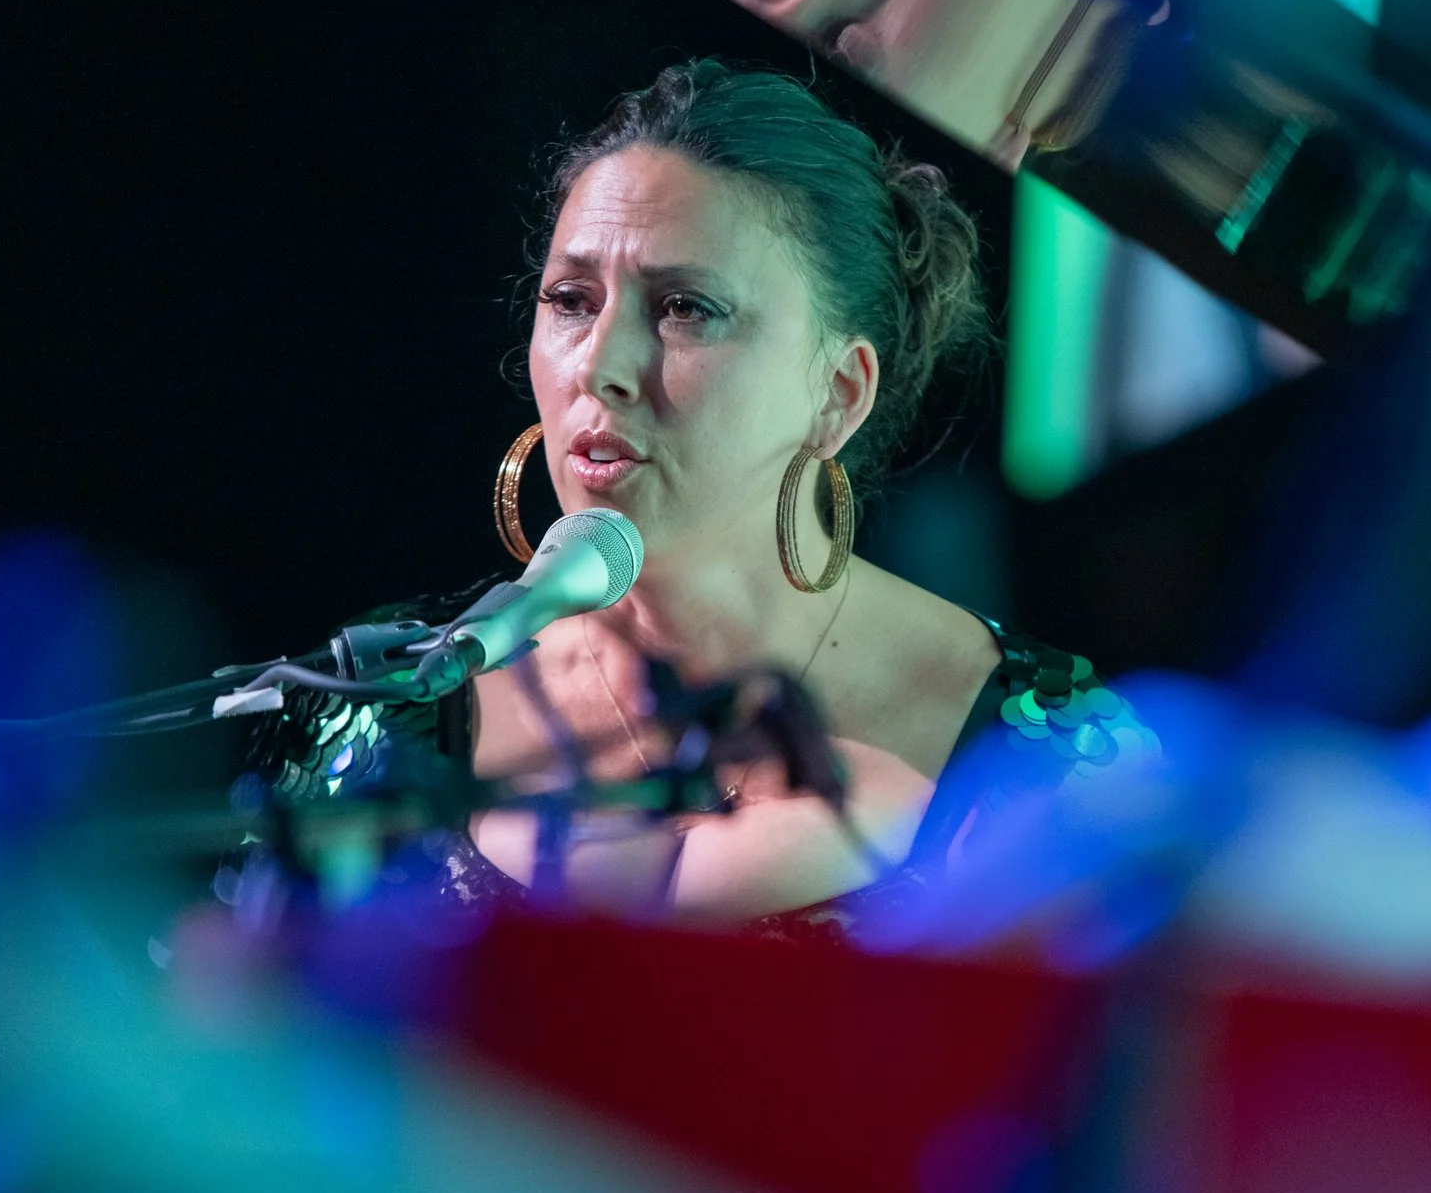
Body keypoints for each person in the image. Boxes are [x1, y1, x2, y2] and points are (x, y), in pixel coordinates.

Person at [259, 61, 1139, 931]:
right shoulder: (381, 700)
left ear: (838, 392)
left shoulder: (1050, 757)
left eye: (685, 308)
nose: (598, 368)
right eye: (570, 300)